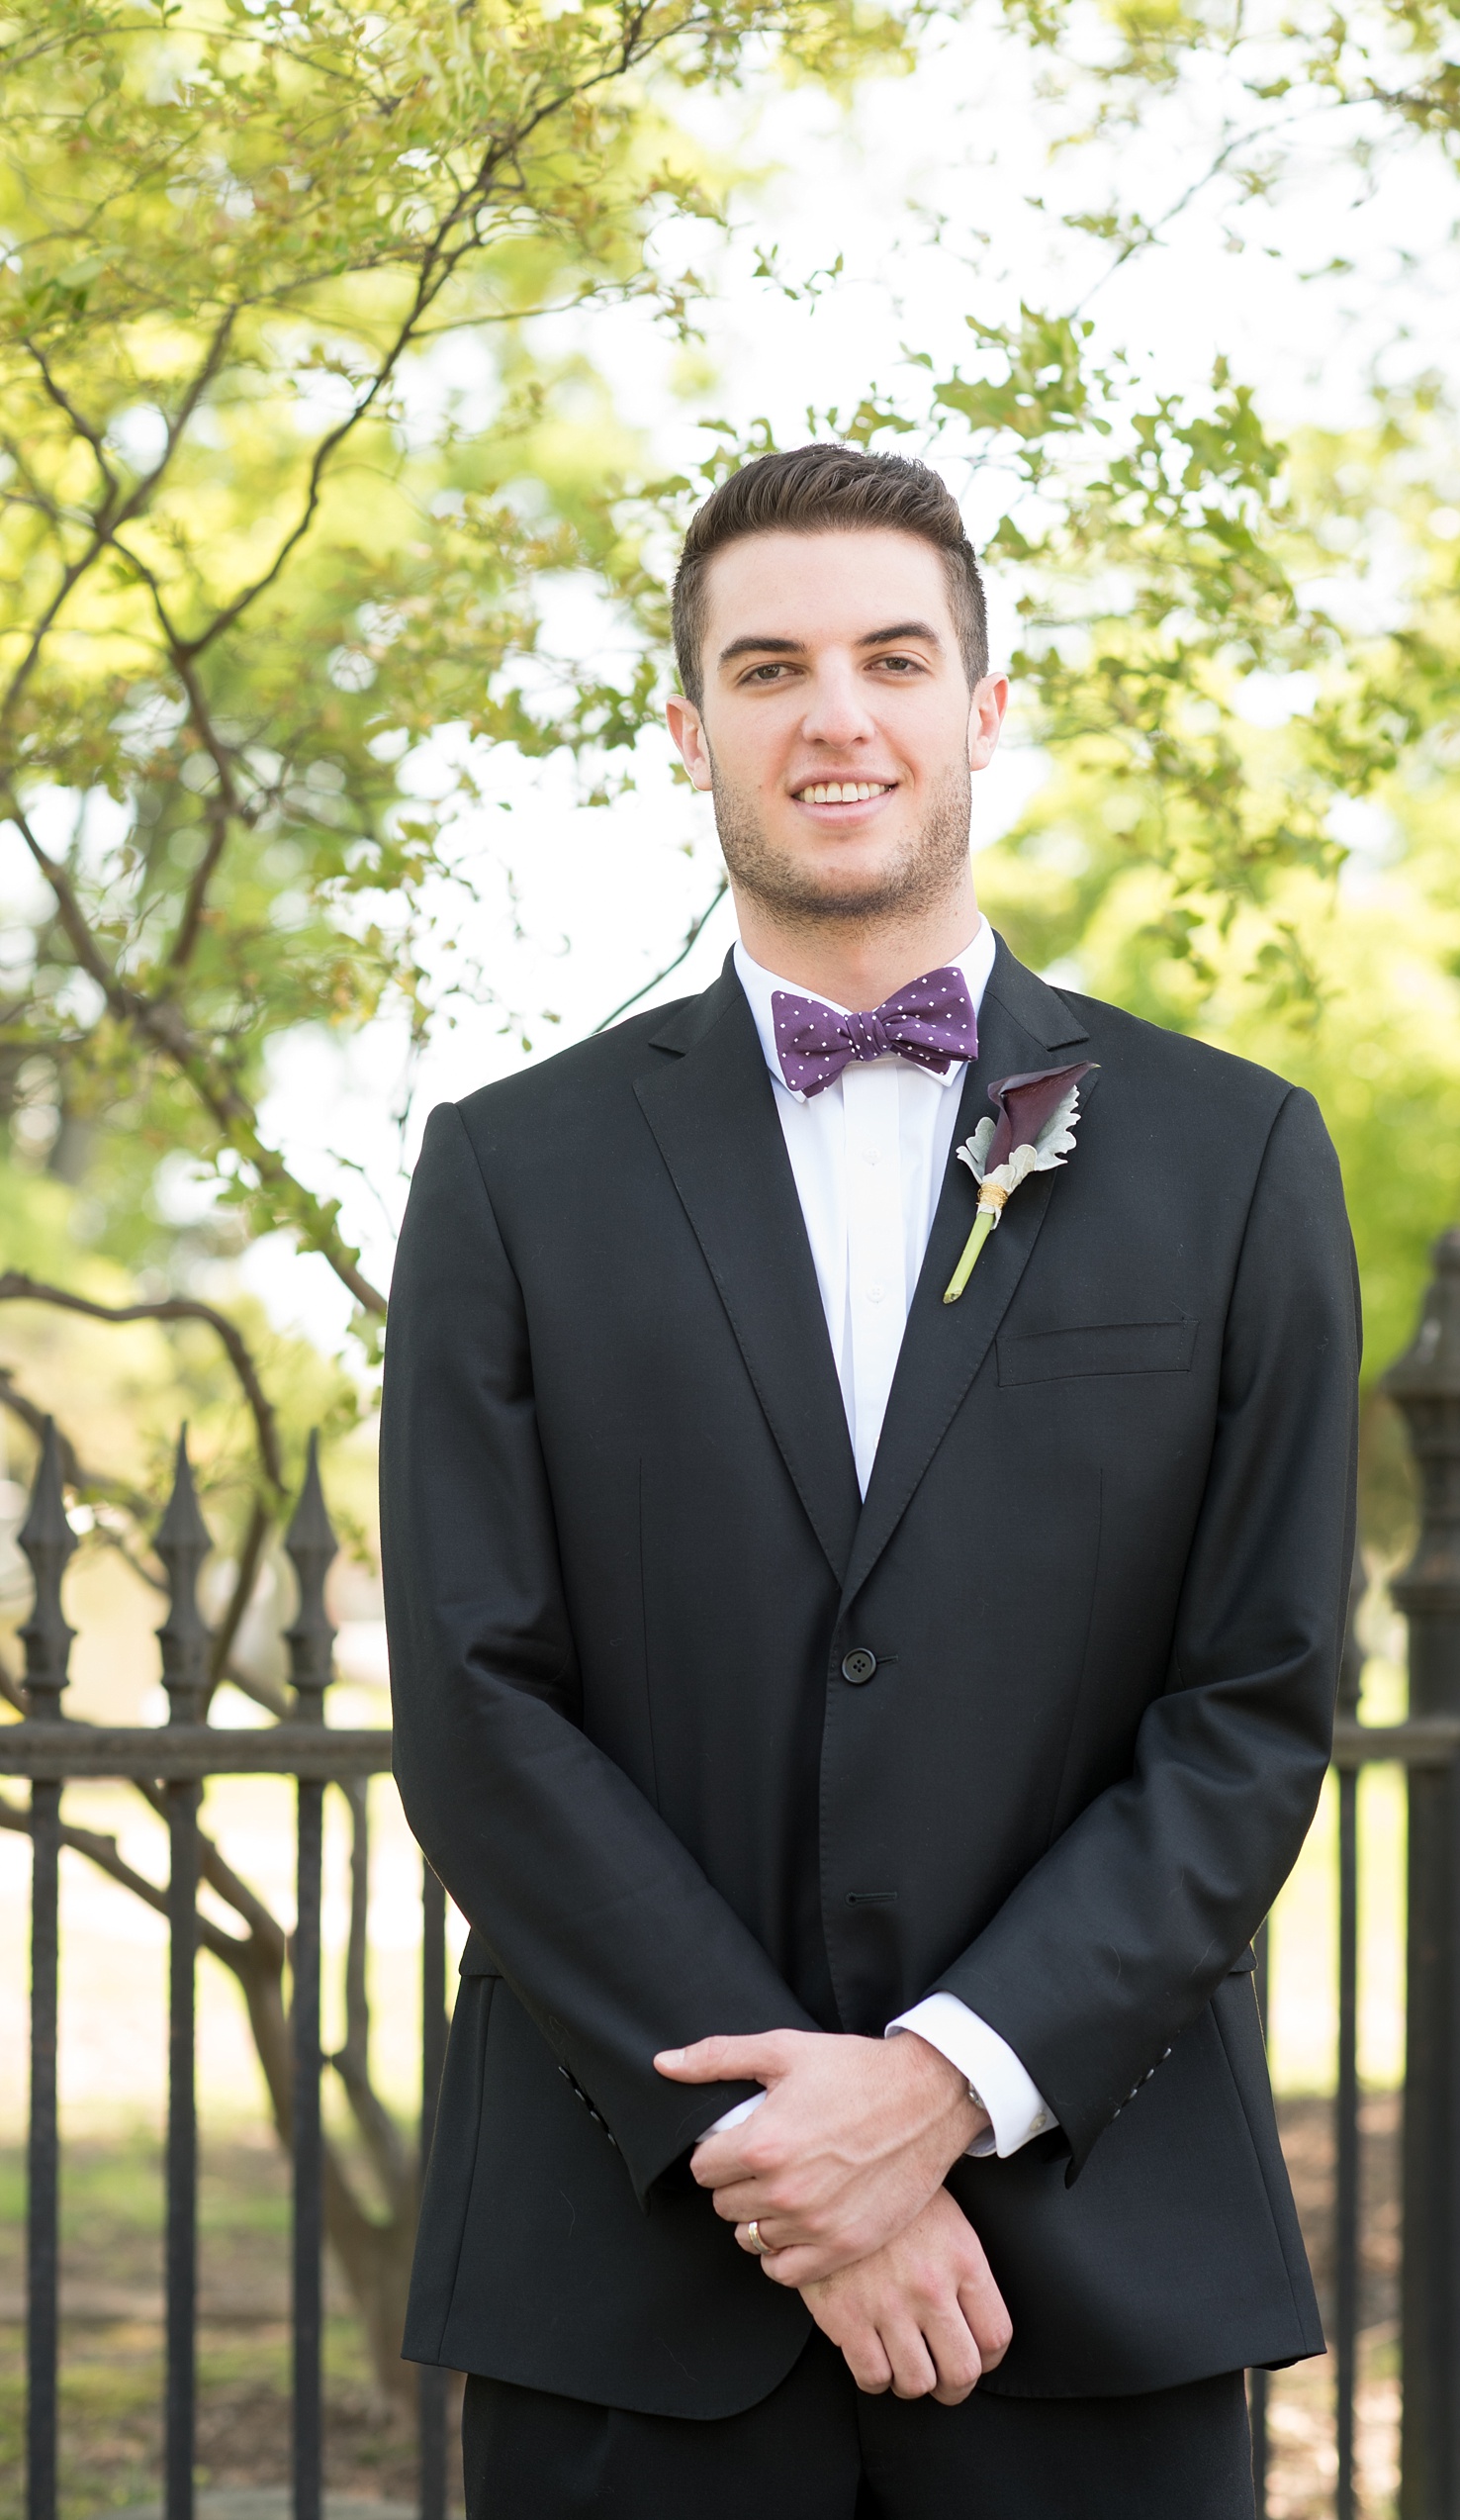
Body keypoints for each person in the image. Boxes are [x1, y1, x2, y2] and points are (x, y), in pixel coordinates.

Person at [382, 442, 1361, 2517]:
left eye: (892, 656)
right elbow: (475, 1698)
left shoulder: (1231, 1152)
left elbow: (1253, 1700)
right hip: (629, 2277)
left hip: (1086, 2266)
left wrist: (938, 2087)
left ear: (981, 709)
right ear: (688, 729)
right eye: (768, 666)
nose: (836, 713)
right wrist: (798, 2155)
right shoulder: (507, 1168)